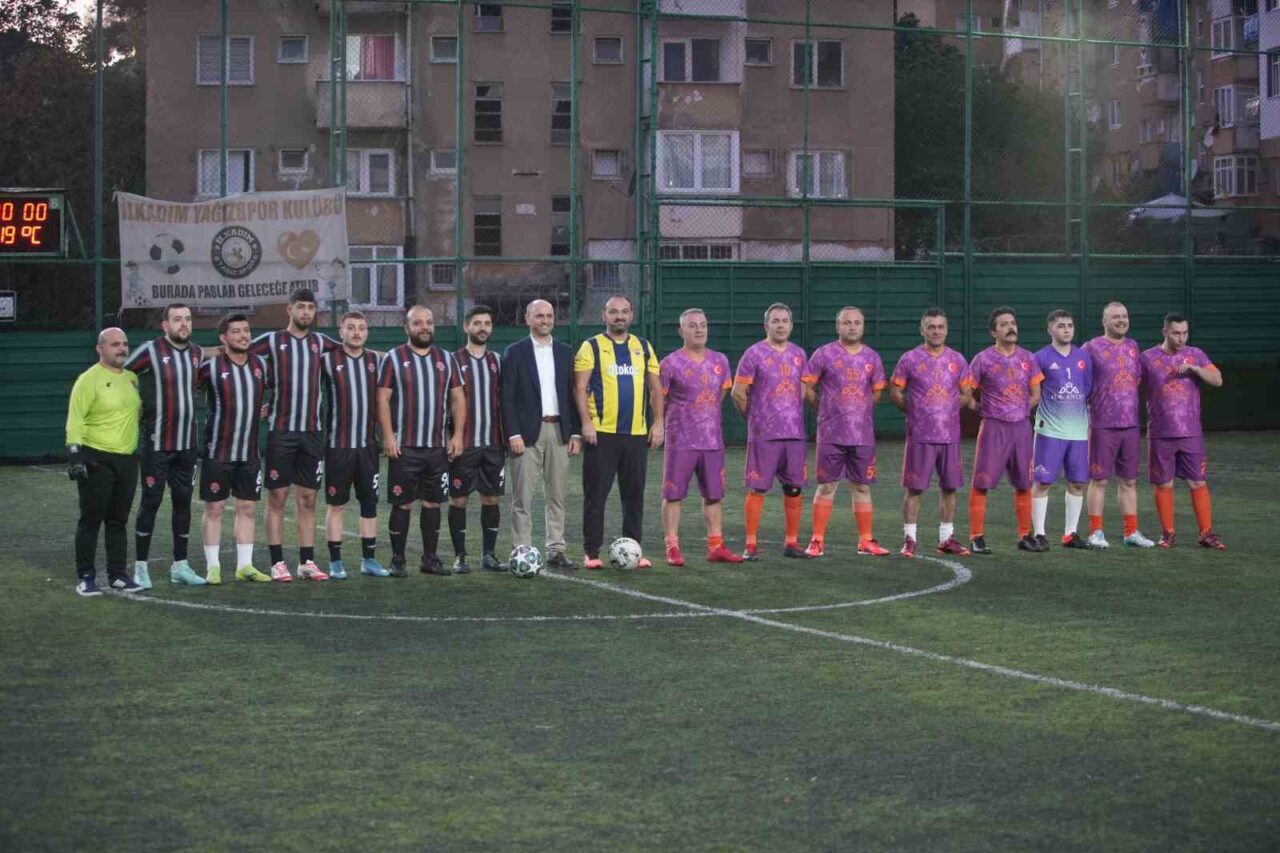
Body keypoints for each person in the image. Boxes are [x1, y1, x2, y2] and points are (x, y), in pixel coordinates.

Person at [248, 288, 341, 582]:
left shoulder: (322, 343)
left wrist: (387, 356)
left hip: (312, 433)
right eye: (300, 307)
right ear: (289, 310)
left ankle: (306, 561)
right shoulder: (272, 341)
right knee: (277, 496)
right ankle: (277, 562)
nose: (306, 313)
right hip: (281, 432)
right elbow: (240, 354)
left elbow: (352, 349)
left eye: (310, 308)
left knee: (309, 499)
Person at [574, 295, 663, 569]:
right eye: (614, 312)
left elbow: (655, 389)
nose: (619, 317)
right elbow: (579, 389)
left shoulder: (644, 347)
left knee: (634, 495)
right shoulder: (591, 347)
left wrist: (658, 423)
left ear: (631, 315)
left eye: (624, 312)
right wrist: (586, 423)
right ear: (604, 316)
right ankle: (591, 553)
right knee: (596, 495)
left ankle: (634, 549)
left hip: (636, 435)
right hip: (602, 433)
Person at [377, 305, 466, 577]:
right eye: (418, 323)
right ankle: (398, 559)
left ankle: (430, 559)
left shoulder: (445, 358)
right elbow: (382, 398)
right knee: (402, 503)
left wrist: (458, 434)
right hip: (405, 447)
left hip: (437, 447)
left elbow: (458, 398)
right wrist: (389, 436)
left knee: (433, 503)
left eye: (429, 322)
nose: (424, 327)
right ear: (407, 328)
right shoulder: (393, 358)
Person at [123, 302, 207, 587]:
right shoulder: (150, 350)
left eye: (187, 319)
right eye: (177, 319)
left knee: (183, 502)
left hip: (187, 444)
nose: (183, 324)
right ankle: (141, 568)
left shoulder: (197, 353)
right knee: (151, 501)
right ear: (165, 325)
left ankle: (180, 566)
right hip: (156, 442)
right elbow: (123, 373)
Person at [801, 306, 890, 558]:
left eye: (857, 323)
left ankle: (866, 541)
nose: (852, 327)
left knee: (862, 486)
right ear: (837, 326)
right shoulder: (823, 354)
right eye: (847, 323)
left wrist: (858, 413)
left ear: (863, 326)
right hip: (831, 434)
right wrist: (824, 409)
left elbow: (877, 392)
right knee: (827, 486)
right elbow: (806, 388)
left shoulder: (872, 357)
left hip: (862, 435)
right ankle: (817, 540)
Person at [658, 308, 743, 566]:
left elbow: (721, 393)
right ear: (681, 330)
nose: (699, 330)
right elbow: (659, 398)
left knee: (714, 494)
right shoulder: (669, 363)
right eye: (692, 325)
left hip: (712, 441)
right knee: (673, 495)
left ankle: (715, 545)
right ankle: (672, 546)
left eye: (703, 325)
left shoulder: (720, 361)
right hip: (680, 441)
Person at [501, 299, 582, 569]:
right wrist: (512, 433)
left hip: (559, 431)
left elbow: (571, 395)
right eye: (539, 316)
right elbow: (507, 398)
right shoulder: (514, 352)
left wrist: (575, 433)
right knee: (522, 497)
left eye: (549, 316)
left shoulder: (565, 351)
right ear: (527, 319)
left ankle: (556, 550)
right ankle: (522, 549)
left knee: (557, 495)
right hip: (525, 434)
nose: (545, 320)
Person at [888, 308, 974, 558]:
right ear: (922, 329)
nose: (936, 331)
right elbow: (894, 392)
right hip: (921, 435)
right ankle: (910, 539)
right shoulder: (910, 359)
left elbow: (967, 393)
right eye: (931, 327)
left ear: (946, 330)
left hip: (949, 435)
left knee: (950, 487)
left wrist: (946, 410)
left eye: (940, 327)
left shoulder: (957, 359)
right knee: (914, 489)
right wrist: (916, 412)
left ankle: (946, 538)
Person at [731, 303, 812, 560]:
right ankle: (751, 545)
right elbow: (737, 393)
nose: (780, 325)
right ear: (766, 325)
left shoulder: (799, 354)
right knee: (758, 488)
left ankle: (791, 543)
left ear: (791, 325)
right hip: (764, 435)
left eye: (784, 321)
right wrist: (754, 418)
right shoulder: (753, 354)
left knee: (794, 488)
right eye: (775, 321)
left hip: (794, 434)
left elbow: (804, 390)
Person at [66, 327, 143, 596]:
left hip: (128, 459)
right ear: (100, 349)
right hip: (97, 457)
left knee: (118, 520)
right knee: (91, 519)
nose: (122, 348)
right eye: (115, 344)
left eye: (124, 343)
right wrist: (76, 454)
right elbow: (75, 417)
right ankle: (86, 577)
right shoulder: (88, 380)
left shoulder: (132, 378)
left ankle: (118, 575)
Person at [1140, 313, 1225, 549]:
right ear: (1164, 332)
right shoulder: (1147, 358)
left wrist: (1195, 369)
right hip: (1160, 432)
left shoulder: (1196, 354)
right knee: (1163, 484)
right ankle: (1167, 533)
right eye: (1176, 333)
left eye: (1185, 332)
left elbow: (1217, 379)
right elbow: (1129, 384)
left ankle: (1206, 533)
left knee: (1198, 482)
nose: (1181, 337)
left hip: (1191, 433)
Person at [198, 314, 272, 584]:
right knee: (215, 508)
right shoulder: (211, 367)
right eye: (237, 331)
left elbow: (281, 390)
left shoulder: (261, 366)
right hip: (218, 451)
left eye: (247, 330)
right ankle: (213, 567)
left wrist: (270, 407)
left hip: (250, 453)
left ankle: (245, 565)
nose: (244, 335)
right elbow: (185, 389)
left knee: (247, 508)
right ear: (223, 338)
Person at [967, 307, 1044, 554]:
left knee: (1024, 482)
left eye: (1013, 323)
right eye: (1004, 324)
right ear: (993, 331)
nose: (1011, 327)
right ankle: (976, 536)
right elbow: (967, 392)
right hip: (993, 427)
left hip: (1021, 427)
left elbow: (1036, 394)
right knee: (982, 482)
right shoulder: (983, 359)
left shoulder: (1028, 358)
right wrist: (981, 408)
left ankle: (1024, 535)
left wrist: (1020, 409)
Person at [1082, 303, 1157, 549]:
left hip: (1131, 425)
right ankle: (1095, 532)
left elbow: (1136, 379)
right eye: (1116, 317)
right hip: (1102, 424)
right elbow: (1080, 383)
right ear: (1104, 321)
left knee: (1129, 481)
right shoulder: (1091, 348)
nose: (1121, 320)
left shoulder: (1133, 347)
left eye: (1125, 316)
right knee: (1100, 480)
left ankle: (1131, 532)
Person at [320, 310, 387, 579]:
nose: (357, 332)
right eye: (351, 327)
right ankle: (335, 562)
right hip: (338, 446)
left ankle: (369, 559)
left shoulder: (376, 360)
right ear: (341, 332)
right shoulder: (327, 360)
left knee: (369, 504)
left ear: (367, 333)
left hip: (368, 447)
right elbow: (303, 386)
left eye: (361, 328)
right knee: (336, 505)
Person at [447, 306, 507, 573]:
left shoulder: (497, 360)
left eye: (487, 323)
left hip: (493, 444)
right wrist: (449, 436)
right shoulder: (453, 360)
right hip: (464, 445)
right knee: (458, 500)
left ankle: (489, 555)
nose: (483, 327)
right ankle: (460, 556)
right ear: (466, 327)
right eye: (477, 323)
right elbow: (443, 403)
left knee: (491, 499)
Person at [1030, 309, 1094, 549]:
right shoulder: (1040, 358)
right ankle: (1039, 533)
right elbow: (1034, 393)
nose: (1066, 329)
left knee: (1077, 482)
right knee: (1043, 481)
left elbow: (1087, 389)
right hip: (1050, 431)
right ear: (1050, 329)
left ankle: (1071, 533)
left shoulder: (1084, 357)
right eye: (1060, 325)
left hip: (1078, 432)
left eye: (1069, 325)